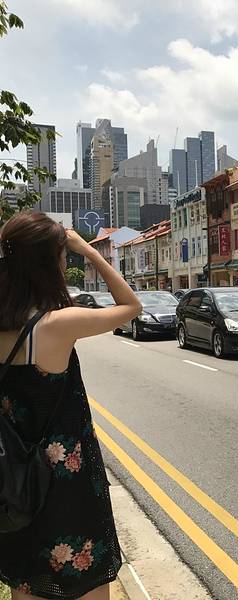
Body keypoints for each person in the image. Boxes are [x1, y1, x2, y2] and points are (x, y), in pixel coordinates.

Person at [0, 212, 142, 600]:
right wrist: (90, 252)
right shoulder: (58, 324)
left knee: (27, 580)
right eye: (63, 255)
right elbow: (131, 306)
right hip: (66, 487)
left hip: (14, 487)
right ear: (50, 263)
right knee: (85, 585)